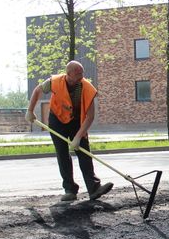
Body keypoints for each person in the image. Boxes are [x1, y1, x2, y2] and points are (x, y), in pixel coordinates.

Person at [26, 61, 113, 202]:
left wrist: (78, 137)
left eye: (82, 73)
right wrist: (30, 111)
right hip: (57, 120)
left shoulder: (87, 87)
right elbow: (37, 90)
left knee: (84, 152)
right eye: (77, 74)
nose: (81, 77)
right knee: (62, 153)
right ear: (68, 74)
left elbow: (90, 116)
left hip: (77, 121)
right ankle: (70, 190)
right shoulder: (54, 82)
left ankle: (94, 188)